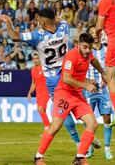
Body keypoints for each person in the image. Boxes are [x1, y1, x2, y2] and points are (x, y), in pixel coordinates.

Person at [0, 8, 81, 149]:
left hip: (53, 79)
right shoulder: (65, 27)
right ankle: (89, 134)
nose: (37, 21)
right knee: (78, 104)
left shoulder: (37, 35)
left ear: (43, 21)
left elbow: (14, 36)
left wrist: (8, 23)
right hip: (68, 73)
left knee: (63, 111)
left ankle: (79, 142)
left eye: (39, 20)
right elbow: (59, 20)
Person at [34, 33, 106, 165]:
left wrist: (103, 73)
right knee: (56, 126)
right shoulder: (71, 56)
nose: (88, 51)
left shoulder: (88, 54)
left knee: (93, 123)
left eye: (90, 48)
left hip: (77, 95)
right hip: (64, 93)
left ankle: (80, 157)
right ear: (78, 45)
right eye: (85, 47)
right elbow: (66, 78)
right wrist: (86, 85)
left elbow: (94, 60)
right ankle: (38, 157)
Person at [84, 26, 113, 160]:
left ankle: (107, 149)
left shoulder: (107, 49)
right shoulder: (85, 51)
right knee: (88, 120)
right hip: (89, 90)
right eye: (91, 33)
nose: (94, 35)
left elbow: (112, 67)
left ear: (101, 35)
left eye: (96, 32)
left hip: (104, 90)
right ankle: (89, 148)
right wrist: (87, 81)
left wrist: (108, 78)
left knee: (107, 118)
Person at [27, 53, 50, 130]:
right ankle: (48, 128)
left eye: (37, 58)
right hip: (38, 93)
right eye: (34, 58)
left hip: (46, 91)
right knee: (41, 110)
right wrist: (29, 93)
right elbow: (33, 83)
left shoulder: (44, 68)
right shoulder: (33, 70)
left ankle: (47, 128)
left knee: (40, 109)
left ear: (40, 59)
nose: (35, 60)